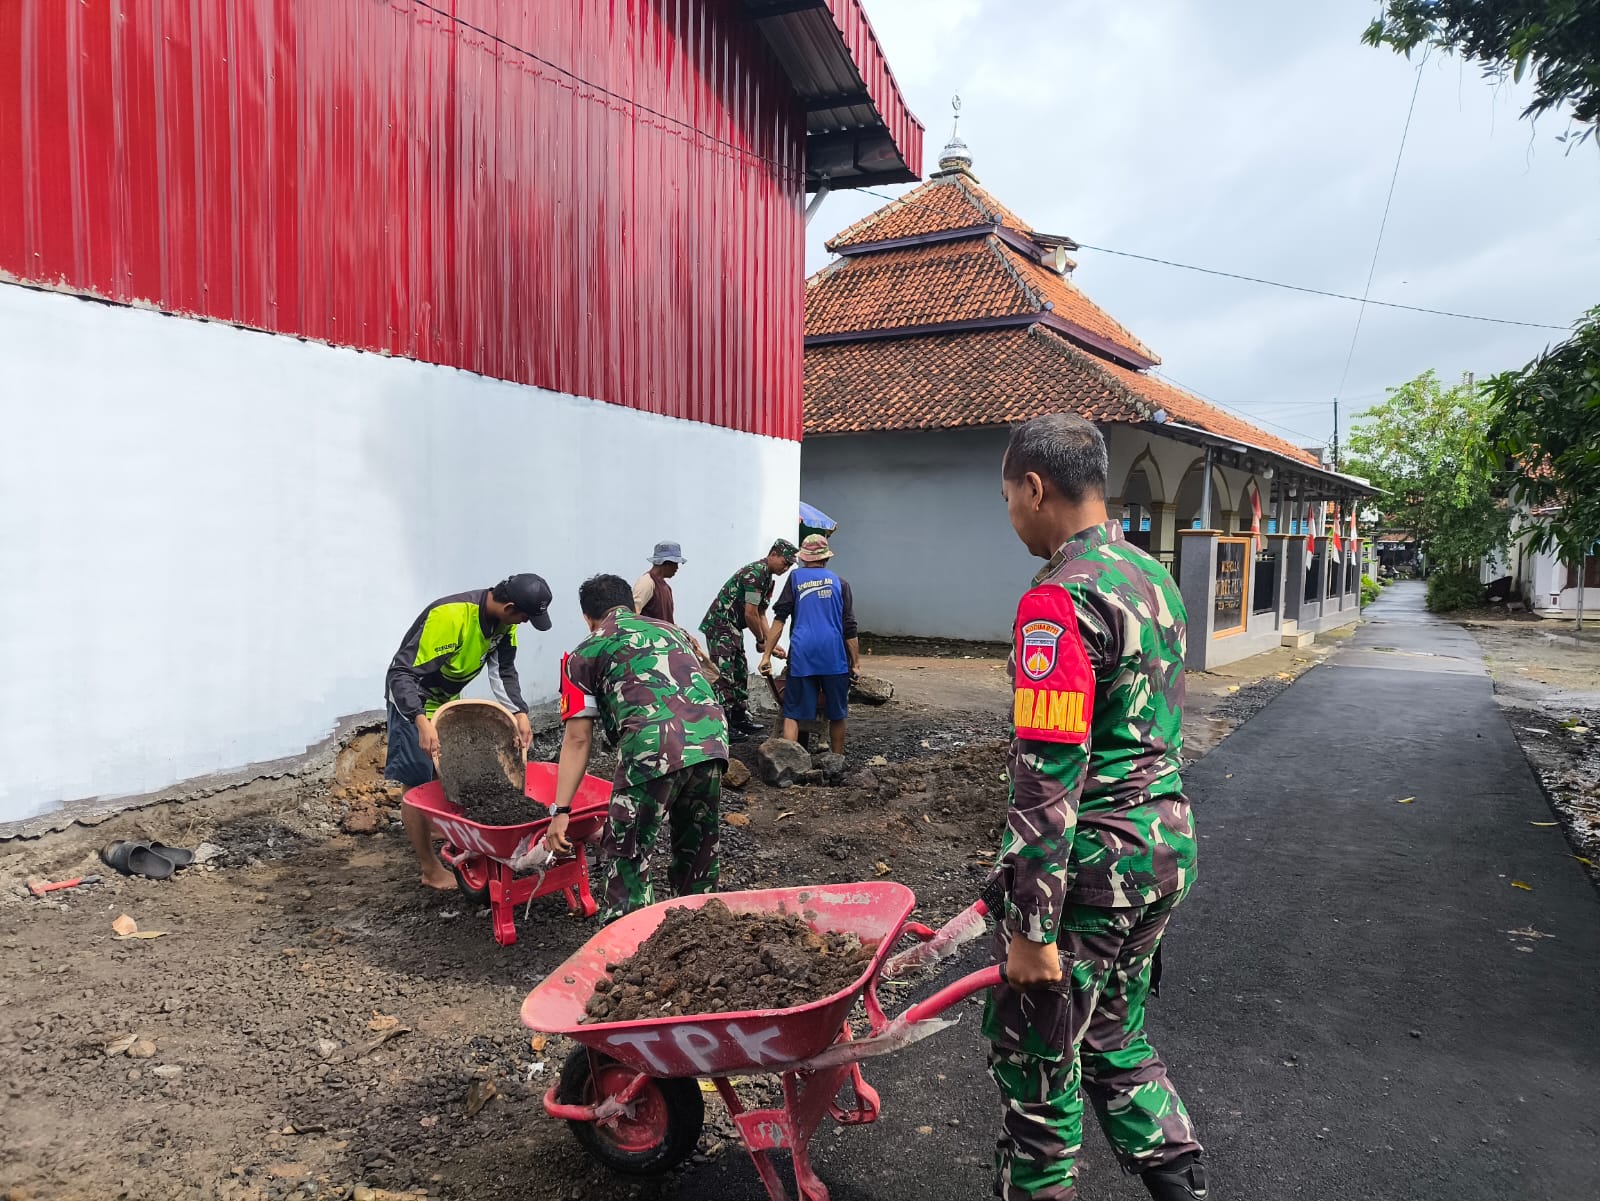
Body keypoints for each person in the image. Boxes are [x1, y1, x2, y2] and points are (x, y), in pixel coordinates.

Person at [988, 413, 1205, 1201]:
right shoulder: (1151, 576)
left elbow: (1049, 777)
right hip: (1162, 852)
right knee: (1114, 1035)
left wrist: (1031, 927)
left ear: (1033, 487)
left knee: (1037, 1065)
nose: (1011, 514)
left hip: (1091, 874)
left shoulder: (1059, 598)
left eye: (1007, 498)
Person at [545, 574, 728, 923]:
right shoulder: (673, 631)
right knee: (699, 847)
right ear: (631, 605)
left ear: (587, 617)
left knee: (628, 851)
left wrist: (561, 811)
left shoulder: (584, 653)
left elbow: (578, 739)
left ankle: (630, 941)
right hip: (710, 740)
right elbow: (709, 677)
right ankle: (704, 930)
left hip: (652, 746)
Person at [385, 574, 553, 890]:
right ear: (510, 606)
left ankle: (439, 826)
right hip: (411, 702)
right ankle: (429, 868)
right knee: (417, 784)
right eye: (524, 617)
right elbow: (402, 673)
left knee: (451, 771)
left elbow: (503, 671)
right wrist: (420, 721)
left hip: (445, 700)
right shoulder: (450, 616)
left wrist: (519, 713)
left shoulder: (506, 625)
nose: (524, 623)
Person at [759, 534, 859, 754]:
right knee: (837, 713)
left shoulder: (795, 579)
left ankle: (790, 761)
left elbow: (780, 619)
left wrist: (766, 655)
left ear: (803, 558)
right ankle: (837, 758)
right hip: (834, 656)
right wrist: (856, 664)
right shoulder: (841, 583)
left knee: (792, 712)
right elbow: (850, 627)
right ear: (826, 558)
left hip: (802, 655)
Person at [699, 539, 798, 740]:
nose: (786, 568)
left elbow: (761, 614)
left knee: (740, 671)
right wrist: (761, 641)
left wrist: (770, 644)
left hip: (733, 628)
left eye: (789, 565)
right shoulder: (756, 573)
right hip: (721, 625)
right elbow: (750, 614)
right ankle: (724, 724)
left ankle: (738, 718)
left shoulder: (768, 578)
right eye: (785, 562)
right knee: (724, 674)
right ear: (773, 554)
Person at [633, 541, 687, 624]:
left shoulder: (667, 588)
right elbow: (632, 615)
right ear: (665, 562)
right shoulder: (647, 582)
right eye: (675, 563)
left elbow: (667, 622)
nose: (677, 568)